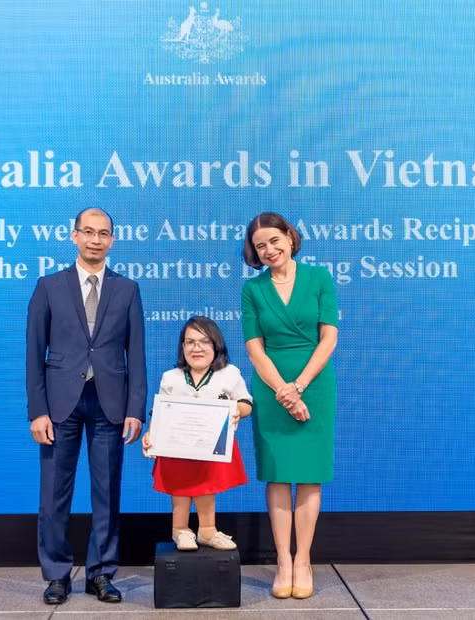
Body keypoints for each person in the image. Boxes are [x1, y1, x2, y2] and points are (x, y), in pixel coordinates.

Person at [25, 207, 146, 605]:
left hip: (110, 403)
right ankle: (57, 574)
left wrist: (135, 408)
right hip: (60, 405)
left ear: (113, 240)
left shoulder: (128, 289)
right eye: (88, 232)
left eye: (103, 233)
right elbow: (33, 354)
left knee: (106, 492)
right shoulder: (48, 286)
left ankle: (101, 573)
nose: (96, 239)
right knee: (53, 494)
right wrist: (37, 411)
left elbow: (137, 355)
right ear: (73, 235)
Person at [240, 212, 338, 600]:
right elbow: (253, 346)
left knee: (310, 475)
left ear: (290, 237)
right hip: (270, 386)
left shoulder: (319, 279)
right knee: (278, 476)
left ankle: (304, 560)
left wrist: (299, 386)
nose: (269, 250)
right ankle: (283, 560)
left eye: (274, 241)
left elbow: (328, 338)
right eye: (260, 246)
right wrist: (282, 390)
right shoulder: (253, 289)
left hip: (313, 384)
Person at [141, 317, 252, 552]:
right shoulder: (171, 377)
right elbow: (160, 412)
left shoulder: (230, 374)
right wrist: (151, 435)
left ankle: (207, 531)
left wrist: (237, 411)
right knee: (179, 489)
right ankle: (180, 531)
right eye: (190, 342)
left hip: (211, 448)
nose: (196, 348)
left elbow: (246, 402)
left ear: (216, 345)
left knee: (205, 486)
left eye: (204, 341)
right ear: (182, 347)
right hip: (176, 448)